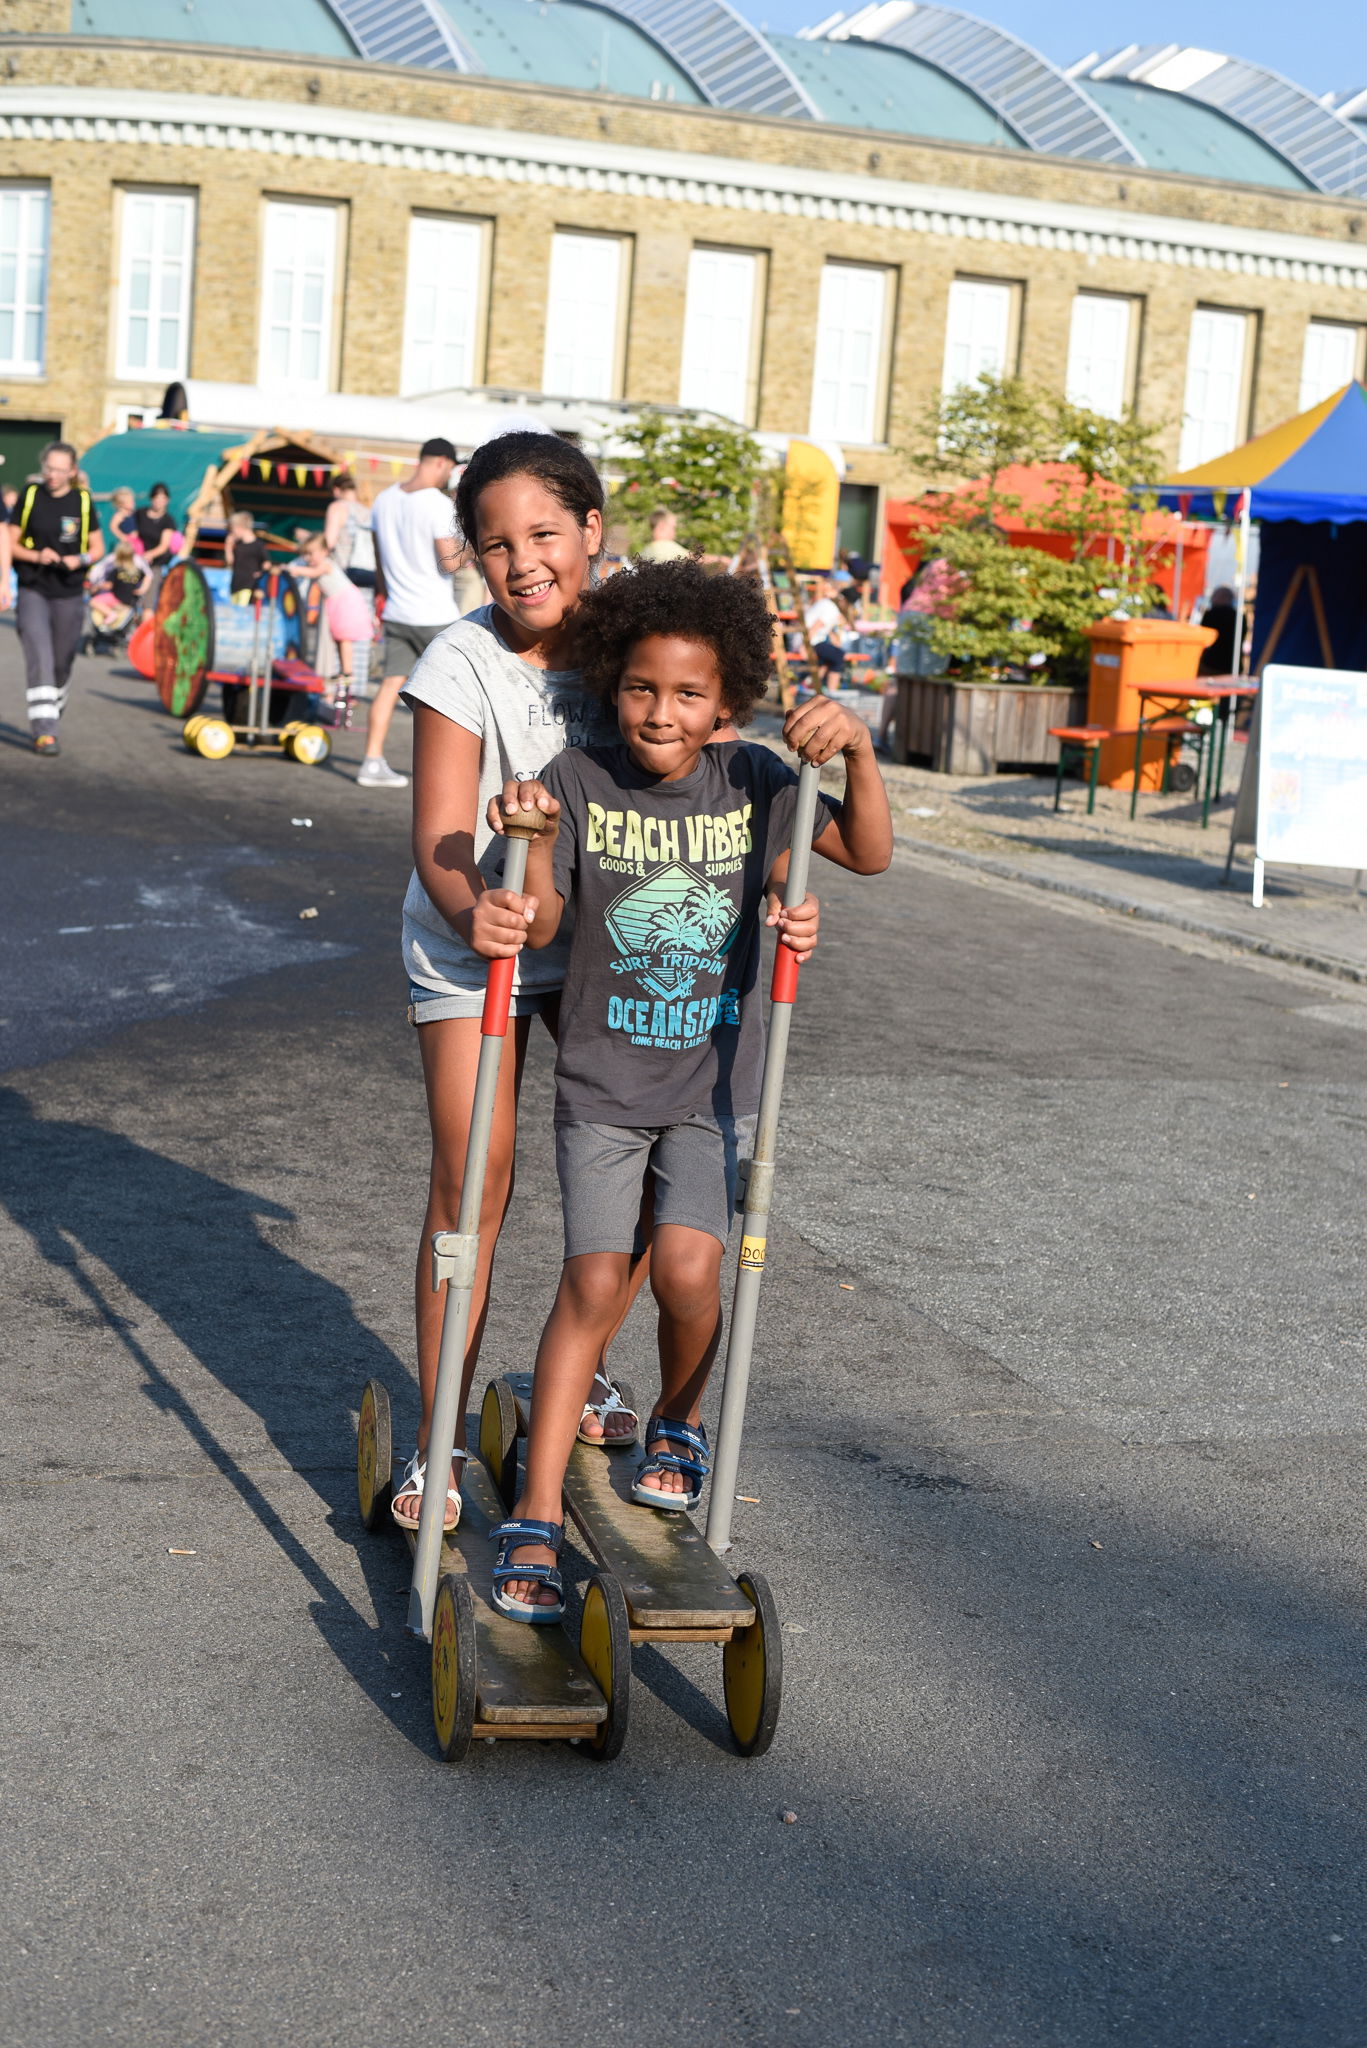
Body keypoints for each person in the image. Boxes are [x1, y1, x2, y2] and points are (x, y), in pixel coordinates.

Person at [391, 430, 820, 1535]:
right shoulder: (460, 662)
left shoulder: (637, 640)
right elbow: (440, 832)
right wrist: (468, 907)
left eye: (543, 532)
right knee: (472, 1177)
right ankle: (435, 1436)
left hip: (604, 950)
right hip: (477, 935)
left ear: (591, 531)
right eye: (494, 544)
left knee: (628, 1190)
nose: (522, 560)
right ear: (473, 559)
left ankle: (566, 1369)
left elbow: (714, 754)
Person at [471, 559, 893, 1618]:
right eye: (642, 688)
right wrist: (524, 841)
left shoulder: (753, 781)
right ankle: (530, 1503)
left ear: (727, 701)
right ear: (613, 682)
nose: (662, 711)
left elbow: (869, 852)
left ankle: (679, 1417)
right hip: (603, 1083)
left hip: (714, 1085)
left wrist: (858, 749)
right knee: (591, 1282)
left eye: (688, 693)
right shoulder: (575, 777)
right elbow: (549, 920)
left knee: (693, 1273)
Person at [366, 436, 462, 790]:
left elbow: (378, 560)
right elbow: (450, 562)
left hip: (397, 608)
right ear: (440, 462)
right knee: (455, 695)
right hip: (435, 613)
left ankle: (372, 760)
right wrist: (476, 551)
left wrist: (383, 596)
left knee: (389, 686)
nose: (448, 476)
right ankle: (451, 774)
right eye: (449, 469)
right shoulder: (437, 505)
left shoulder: (383, 499)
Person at [0, 439, 105, 753]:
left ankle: (53, 705)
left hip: (70, 592)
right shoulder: (31, 496)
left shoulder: (83, 502)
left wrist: (80, 560)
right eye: (49, 468)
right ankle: (45, 731)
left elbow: (98, 548)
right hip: (34, 588)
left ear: (72, 471)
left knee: (61, 662)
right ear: (42, 465)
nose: (53, 475)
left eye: (61, 470)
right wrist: (35, 556)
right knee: (40, 655)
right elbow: (12, 542)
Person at [293, 533, 375, 701]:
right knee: (339, 638)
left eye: (311, 553)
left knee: (345, 637)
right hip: (337, 602)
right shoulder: (321, 563)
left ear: (324, 551)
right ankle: (343, 672)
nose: (308, 558)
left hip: (345, 602)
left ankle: (347, 671)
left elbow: (312, 572)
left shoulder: (326, 564)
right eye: (305, 554)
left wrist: (292, 570)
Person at [87, 540, 151, 631]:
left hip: (116, 599)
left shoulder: (116, 569)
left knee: (93, 601)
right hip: (129, 601)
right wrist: (143, 589)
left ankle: (110, 614)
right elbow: (148, 576)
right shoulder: (137, 571)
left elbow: (108, 585)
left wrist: (97, 586)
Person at [804, 575, 848, 693]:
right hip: (811, 640)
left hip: (813, 639)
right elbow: (816, 625)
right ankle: (832, 691)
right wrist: (805, 646)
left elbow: (824, 626)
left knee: (828, 658)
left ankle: (813, 685)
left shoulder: (825, 604)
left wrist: (833, 638)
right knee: (838, 655)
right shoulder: (830, 607)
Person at [224, 509, 269, 603]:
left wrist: (261, 572)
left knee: (242, 610)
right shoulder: (239, 545)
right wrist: (228, 546)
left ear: (240, 527)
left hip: (249, 585)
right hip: (236, 584)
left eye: (233, 529)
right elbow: (230, 562)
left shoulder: (258, 545)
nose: (232, 532)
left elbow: (266, 563)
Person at [133, 482, 177, 569]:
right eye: (156, 497)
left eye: (163, 498)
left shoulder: (168, 521)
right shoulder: (140, 513)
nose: (159, 501)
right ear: (151, 498)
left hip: (156, 564)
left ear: (167, 500)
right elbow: (132, 535)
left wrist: (149, 555)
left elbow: (163, 546)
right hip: (135, 559)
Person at [1198, 585, 1238, 675]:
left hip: (1211, 664)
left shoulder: (1210, 615)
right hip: (1232, 664)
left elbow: (1203, 636)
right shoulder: (1239, 617)